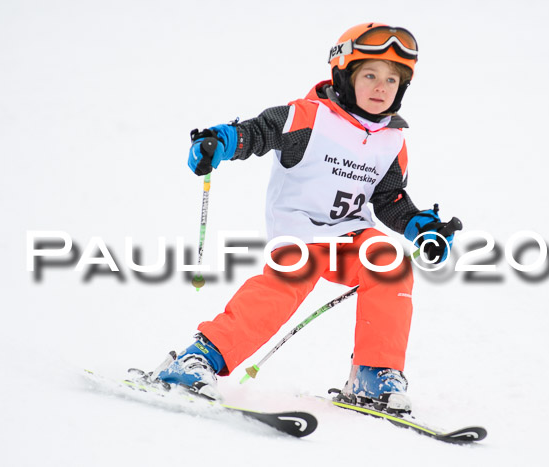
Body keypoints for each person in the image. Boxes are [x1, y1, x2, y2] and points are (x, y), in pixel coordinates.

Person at [154, 23, 454, 413]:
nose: (381, 87)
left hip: (349, 238)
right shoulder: (307, 117)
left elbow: (389, 198)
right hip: (300, 236)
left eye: (392, 80)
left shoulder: (392, 140)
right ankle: (196, 361)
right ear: (343, 74)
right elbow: (256, 133)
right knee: (284, 286)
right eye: (369, 75)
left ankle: (373, 374)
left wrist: (421, 227)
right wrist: (220, 142)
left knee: (388, 261)